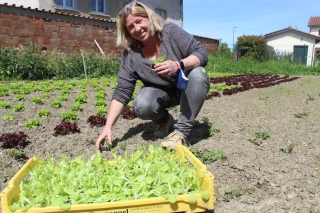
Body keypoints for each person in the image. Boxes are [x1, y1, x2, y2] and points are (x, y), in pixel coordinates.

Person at [95, 1, 210, 150]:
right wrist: (107, 127)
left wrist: (177, 65)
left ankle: (181, 132)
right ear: (127, 31)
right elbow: (122, 91)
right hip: (162, 95)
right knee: (142, 104)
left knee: (198, 74)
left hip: (187, 87)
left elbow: (201, 54)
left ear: (148, 17)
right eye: (130, 26)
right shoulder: (131, 54)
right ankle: (166, 120)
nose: (137, 28)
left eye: (139, 21)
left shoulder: (170, 32)